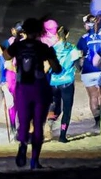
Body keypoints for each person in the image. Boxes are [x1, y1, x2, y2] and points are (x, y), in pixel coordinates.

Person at [6, 18, 60, 170]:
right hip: (39, 88)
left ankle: (23, 144)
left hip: (22, 88)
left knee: (23, 122)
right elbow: (57, 69)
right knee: (38, 124)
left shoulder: (18, 46)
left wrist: (17, 41)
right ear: (39, 31)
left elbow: (5, 56)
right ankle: (34, 161)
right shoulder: (43, 47)